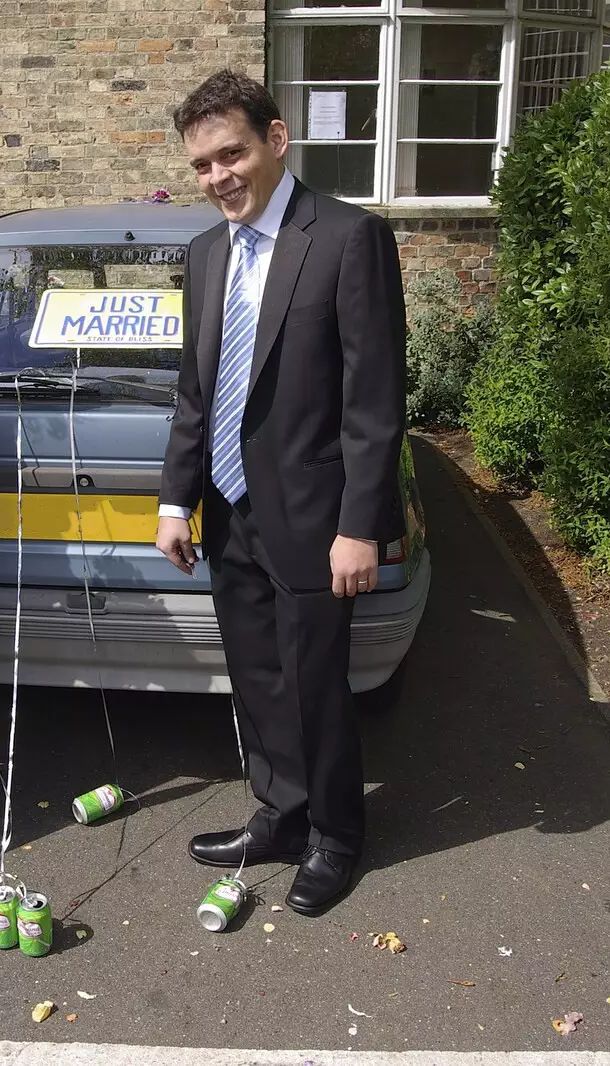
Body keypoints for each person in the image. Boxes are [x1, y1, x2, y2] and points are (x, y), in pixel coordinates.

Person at [155, 70, 406, 916]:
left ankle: (337, 833)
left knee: (315, 683)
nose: (218, 176)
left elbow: (375, 401)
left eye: (232, 154)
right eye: (201, 165)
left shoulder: (345, 238)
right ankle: (281, 813)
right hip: (227, 512)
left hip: (314, 516)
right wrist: (173, 501)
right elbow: (197, 391)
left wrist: (360, 526)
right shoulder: (204, 253)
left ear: (276, 140)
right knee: (258, 676)